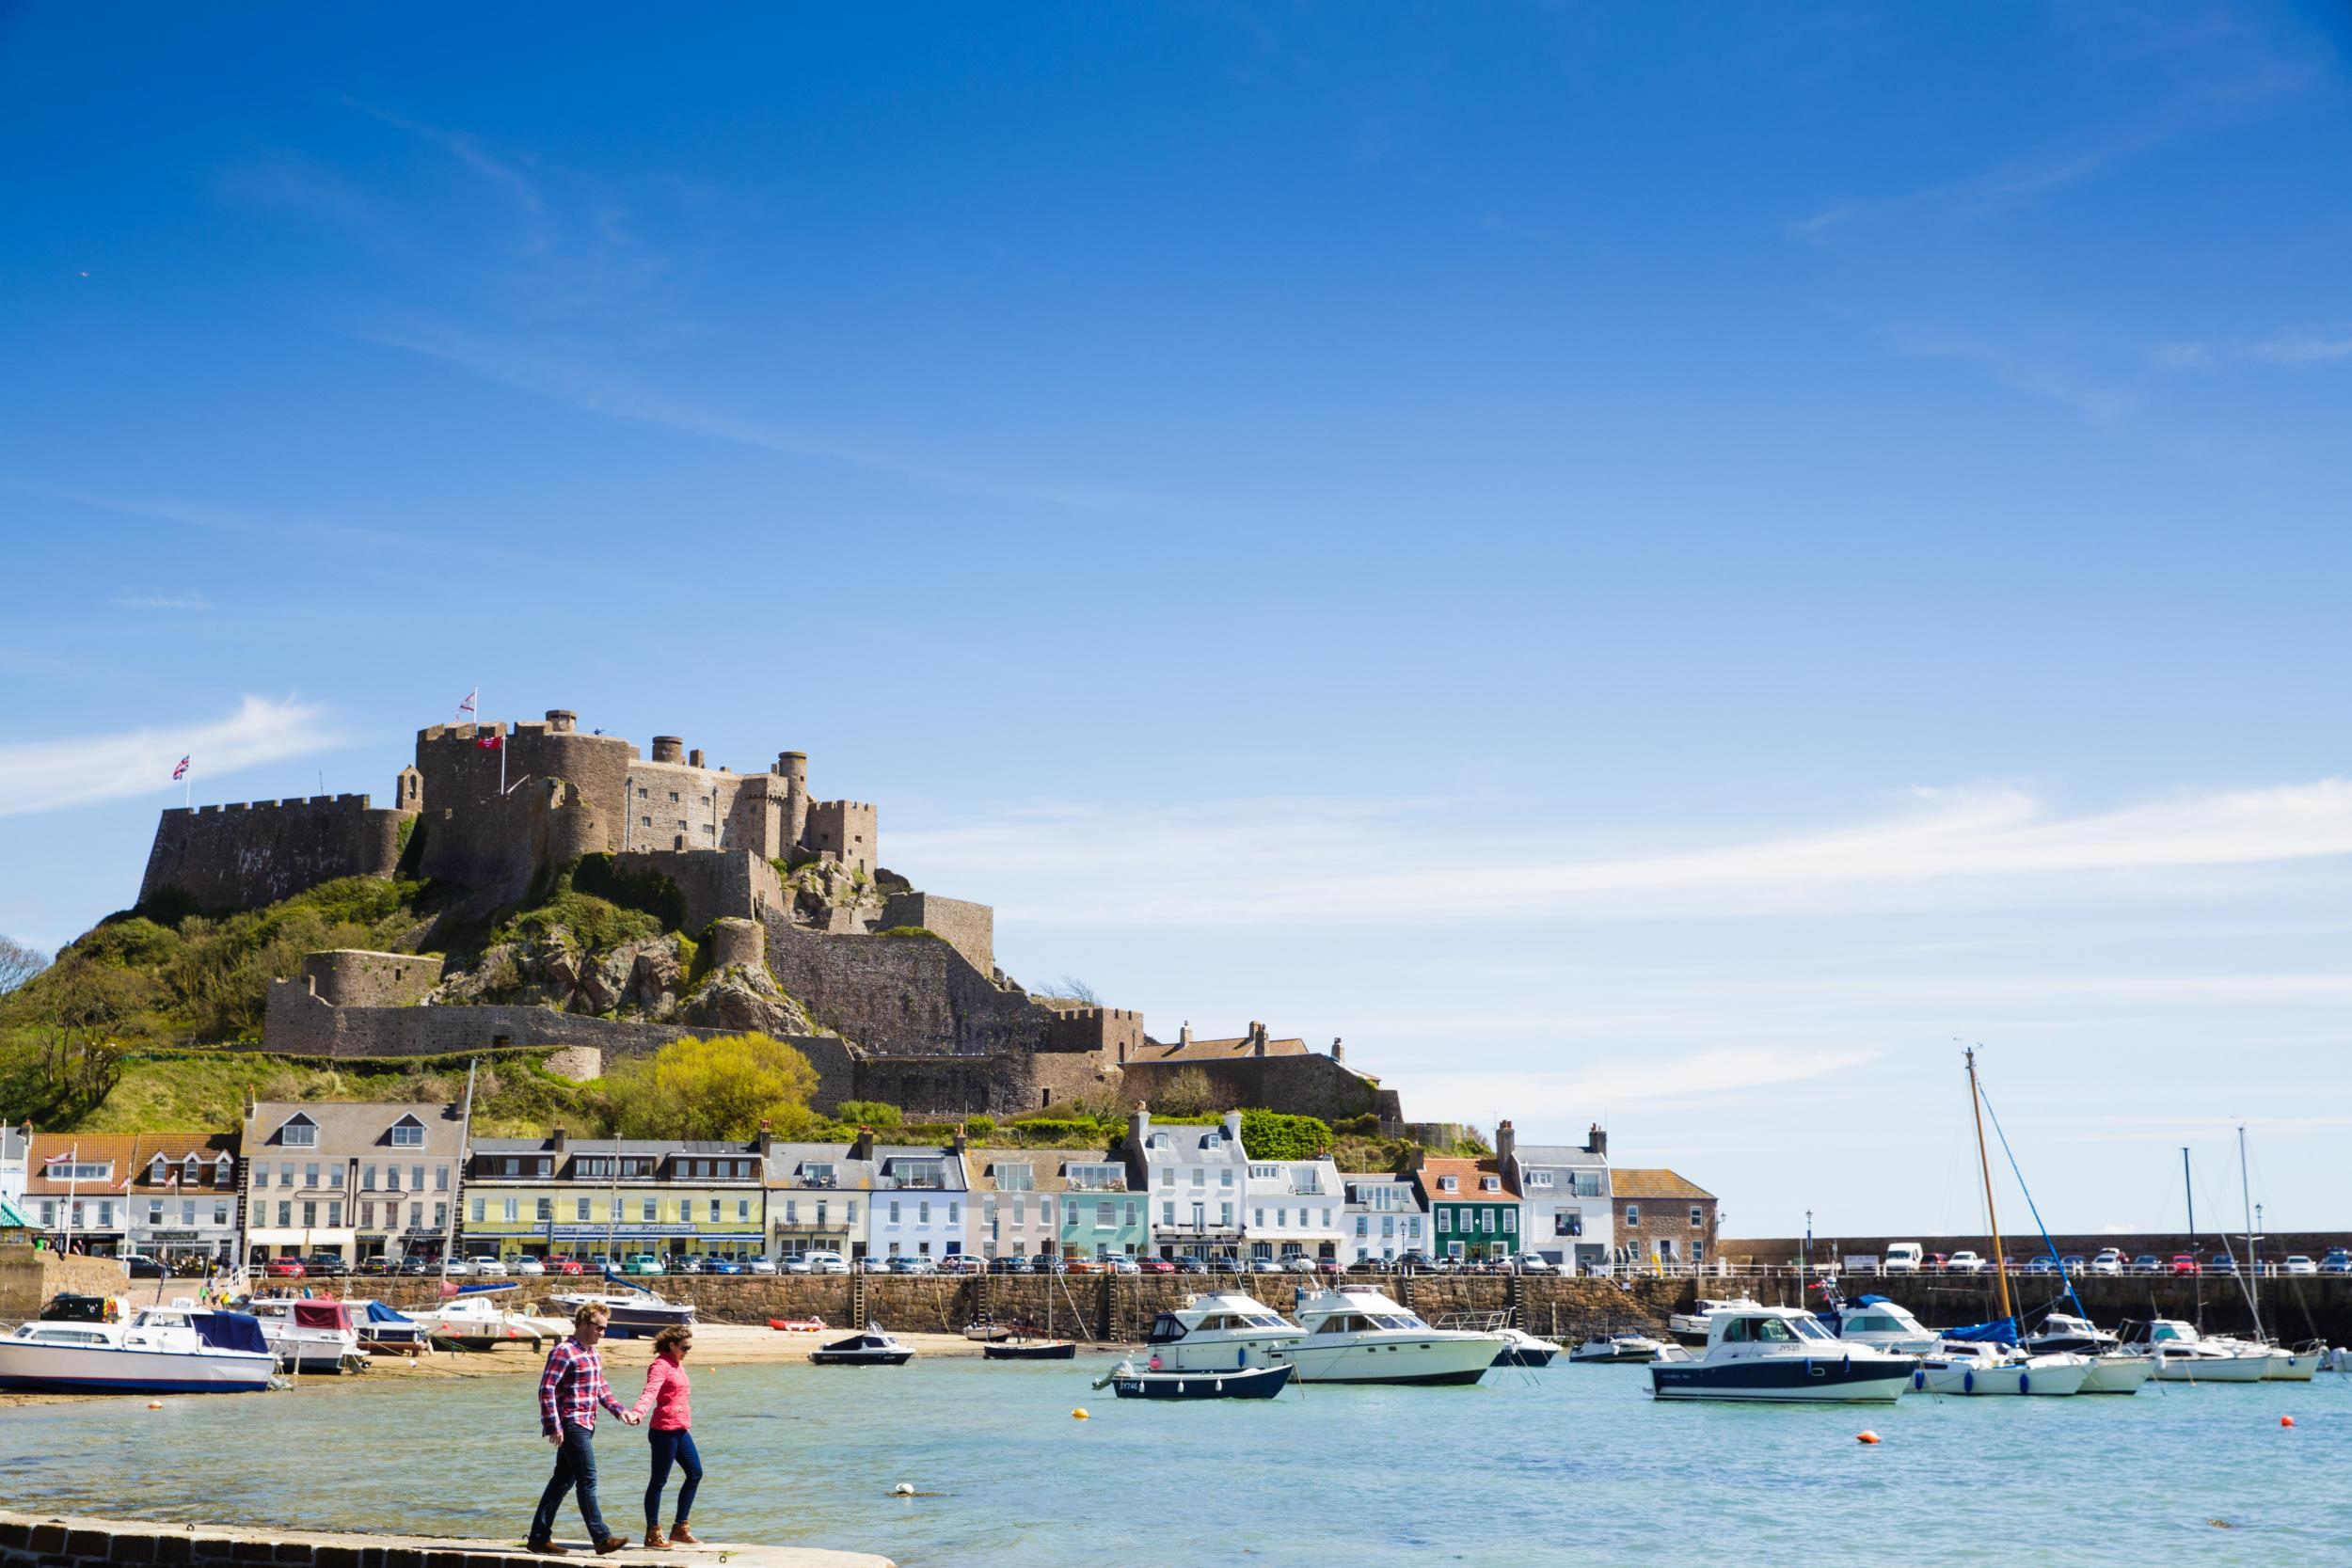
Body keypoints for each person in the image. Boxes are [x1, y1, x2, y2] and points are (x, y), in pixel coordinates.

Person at [530, 1303, 641, 1555]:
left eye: (605, 1328)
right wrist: (553, 1425)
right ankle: (601, 1538)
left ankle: (538, 1537)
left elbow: (601, 1389)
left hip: (588, 1424)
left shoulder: (592, 1354)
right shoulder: (563, 1352)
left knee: (561, 1482)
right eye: (599, 1327)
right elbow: (546, 1389)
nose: (603, 1332)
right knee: (588, 1480)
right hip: (571, 1423)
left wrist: (620, 1410)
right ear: (582, 1324)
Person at [631, 1324, 703, 1548]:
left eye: (690, 1348)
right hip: (663, 1431)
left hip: (680, 1429)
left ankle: (680, 1528)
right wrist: (638, 1413)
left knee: (695, 1473)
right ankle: (652, 1533)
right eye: (684, 1347)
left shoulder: (677, 1364)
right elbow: (650, 1391)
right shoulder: (660, 1366)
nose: (687, 1351)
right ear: (671, 1345)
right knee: (659, 1481)